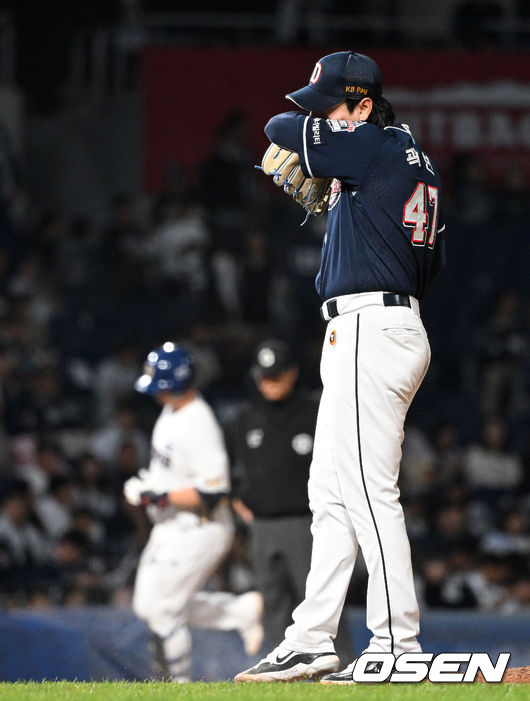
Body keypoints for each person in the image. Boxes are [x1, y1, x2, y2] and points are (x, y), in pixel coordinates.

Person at [235, 50, 445, 684]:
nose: (320, 117)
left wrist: (327, 152)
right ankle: (312, 637)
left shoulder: (376, 145)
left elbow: (276, 128)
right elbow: (425, 268)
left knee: (368, 494)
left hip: (368, 330)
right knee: (328, 494)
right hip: (383, 324)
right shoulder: (404, 160)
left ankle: (396, 645)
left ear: (361, 103)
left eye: (330, 106)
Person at [123, 342, 263, 682]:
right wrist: (152, 487)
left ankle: (178, 687)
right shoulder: (171, 412)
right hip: (171, 526)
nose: (155, 392)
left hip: (200, 527)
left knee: (166, 612)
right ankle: (238, 611)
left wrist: (155, 496)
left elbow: (213, 493)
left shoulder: (199, 423)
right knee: (146, 605)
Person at [226, 339, 353, 659]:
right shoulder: (244, 419)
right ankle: (283, 672)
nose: (269, 383)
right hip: (262, 526)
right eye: (264, 376)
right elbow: (226, 466)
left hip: (308, 524)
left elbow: (343, 461)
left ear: (292, 373)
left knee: (322, 602)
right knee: (274, 604)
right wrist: (236, 498)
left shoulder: (316, 411)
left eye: (276, 375)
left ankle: (341, 669)